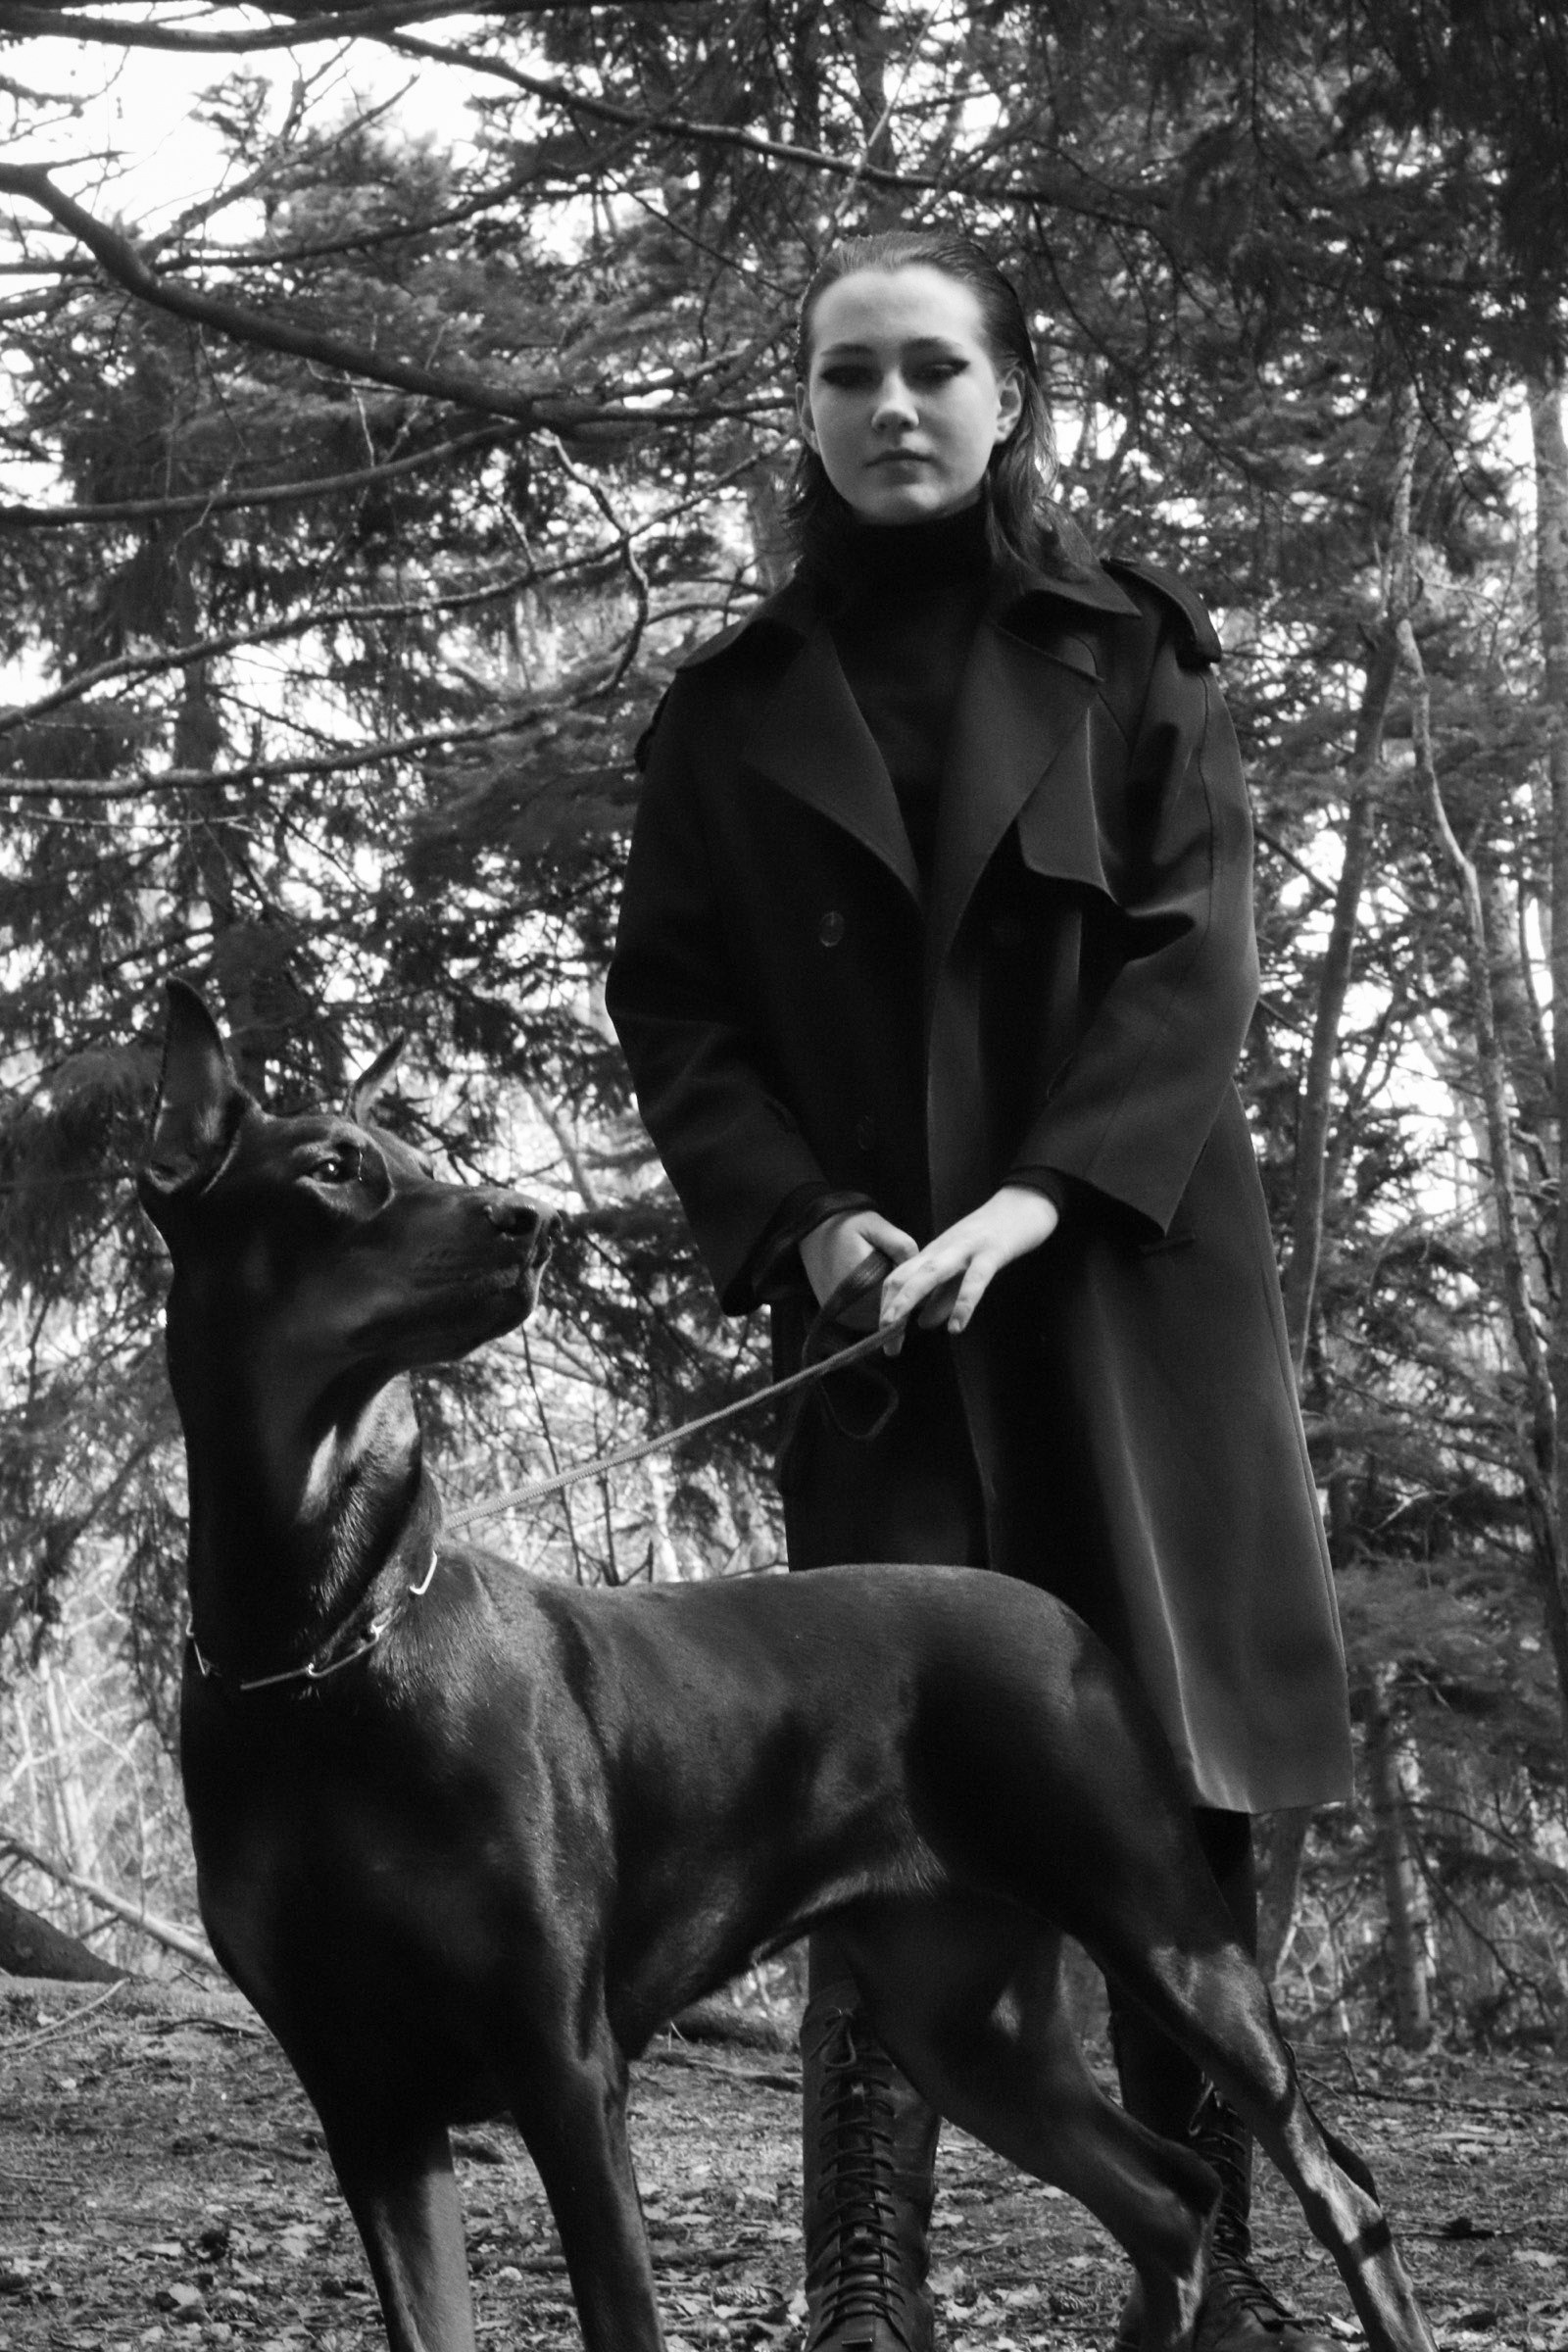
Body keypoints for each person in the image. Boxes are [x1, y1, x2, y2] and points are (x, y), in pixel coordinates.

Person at [605, 227, 1352, 2352]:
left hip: (1126, 1305)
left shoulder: (1130, 654)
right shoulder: (727, 713)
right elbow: (674, 1007)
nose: (891, 408)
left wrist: (1029, 1204)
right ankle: (867, 2291)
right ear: (805, 411)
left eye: (932, 368)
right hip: (879, 1344)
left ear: (1009, 395)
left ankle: (1209, 2280)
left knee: (1178, 1764)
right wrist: (809, 1221)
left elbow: (1191, 954)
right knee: (873, 1783)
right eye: (847, 374)